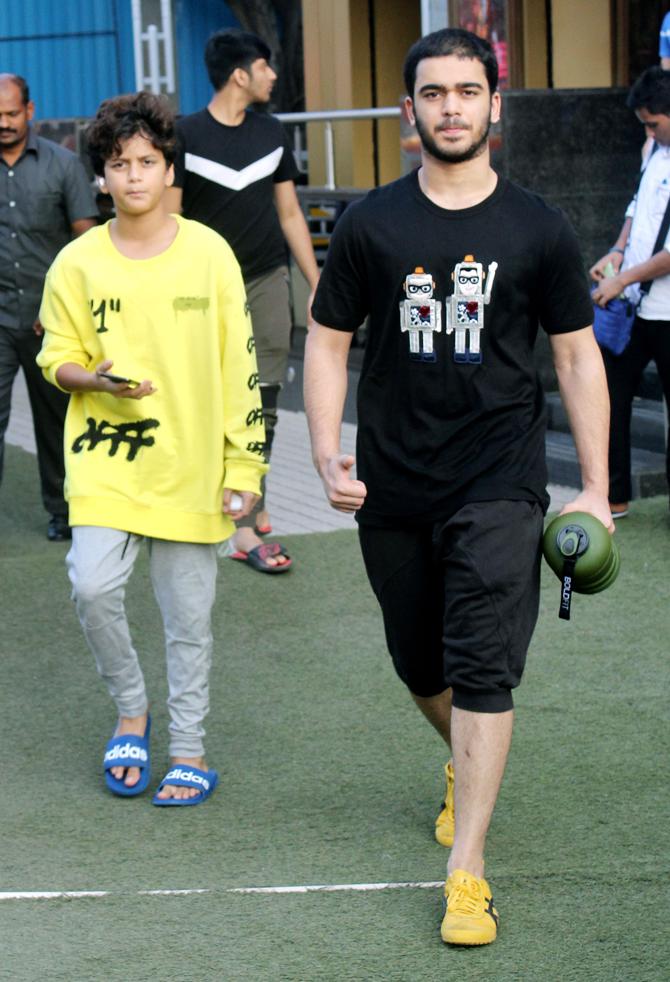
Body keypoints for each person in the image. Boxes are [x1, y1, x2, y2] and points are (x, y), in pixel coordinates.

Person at [304, 28, 613, 946]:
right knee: (420, 662)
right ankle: (463, 762)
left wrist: (593, 487)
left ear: (494, 107)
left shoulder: (538, 228)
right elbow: (326, 341)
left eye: (467, 92)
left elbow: (575, 356)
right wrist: (325, 451)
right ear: (410, 111)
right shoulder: (370, 224)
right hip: (395, 479)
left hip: (501, 481)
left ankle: (466, 870)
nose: (451, 107)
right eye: (433, 93)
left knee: (483, 662)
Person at [36, 92, 267, 805]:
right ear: (101, 177)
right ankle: (131, 708)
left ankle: (189, 748)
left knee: (188, 617)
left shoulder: (211, 254)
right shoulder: (76, 262)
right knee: (92, 584)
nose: (133, 176)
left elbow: (240, 365)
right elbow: (57, 357)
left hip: (192, 467)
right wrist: (88, 377)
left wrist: (246, 464)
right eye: (118, 164)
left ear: (171, 169)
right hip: (105, 459)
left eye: (147, 161)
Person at [165, 29, 320, 574]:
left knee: (268, 395)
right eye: (265, 65)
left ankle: (247, 506)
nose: (273, 75)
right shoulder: (183, 135)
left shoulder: (272, 132)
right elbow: (173, 223)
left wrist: (315, 282)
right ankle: (234, 506)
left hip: (266, 278)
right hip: (203, 290)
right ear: (240, 74)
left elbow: (289, 215)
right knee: (214, 397)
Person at [0, 73, 98, 540]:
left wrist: (63, 307)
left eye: (11, 114)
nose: (3, 123)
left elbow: (87, 242)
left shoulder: (63, 165)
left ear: (31, 111)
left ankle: (64, 513)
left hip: (49, 323)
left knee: (57, 422)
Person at [591, 66, 670, 519]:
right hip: (637, 310)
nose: (648, 130)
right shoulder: (654, 152)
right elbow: (636, 208)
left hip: (666, 311)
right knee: (608, 397)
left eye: (653, 121)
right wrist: (617, 252)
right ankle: (611, 496)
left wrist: (623, 279)